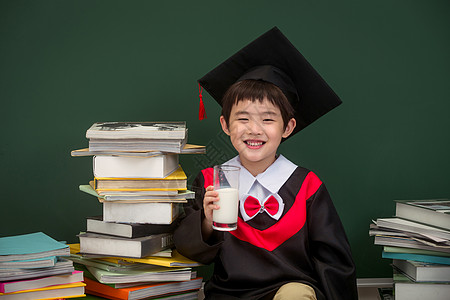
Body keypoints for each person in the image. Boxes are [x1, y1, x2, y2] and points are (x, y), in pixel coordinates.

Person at [174, 27, 358, 300]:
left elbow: (334, 262)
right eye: (243, 118)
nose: (254, 129)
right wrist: (206, 222)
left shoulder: (307, 186)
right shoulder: (210, 181)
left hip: (290, 289)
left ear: (288, 127)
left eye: (268, 119)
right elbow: (187, 249)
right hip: (228, 294)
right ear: (225, 124)